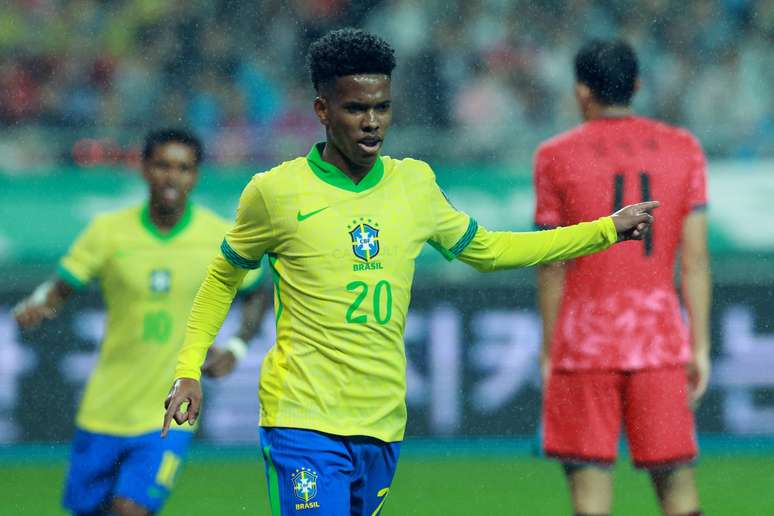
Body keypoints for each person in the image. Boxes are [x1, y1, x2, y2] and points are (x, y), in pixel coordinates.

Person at [162, 29, 658, 516]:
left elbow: (489, 249)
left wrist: (605, 231)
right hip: (301, 419)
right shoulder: (275, 193)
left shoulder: (414, 185)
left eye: (382, 107)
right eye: (356, 108)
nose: (372, 122)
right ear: (322, 111)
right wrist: (188, 368)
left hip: (381, 422)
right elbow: (222, 277)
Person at [14, 128, 268, 516]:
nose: (172, 176)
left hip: (168, 412)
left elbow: (256, 293)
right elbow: (61, 287)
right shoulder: (108, 232)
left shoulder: (218, 237)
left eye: (183, 168)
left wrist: (235, 347)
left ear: (195, 176)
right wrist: (38, 303)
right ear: (145, 169)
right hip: (104, 408)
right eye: (163, 165)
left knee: (131, 509)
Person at [534, 40, 710, 516]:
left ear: (580, 90)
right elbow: (694, 260)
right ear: (637, 85)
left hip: (584, 342)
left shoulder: (555, 156)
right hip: (658, 340)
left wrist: (551, 348)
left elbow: (552, 261)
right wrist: (699, 345)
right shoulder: (683, 149)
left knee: (590, 500)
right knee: (677, 493)